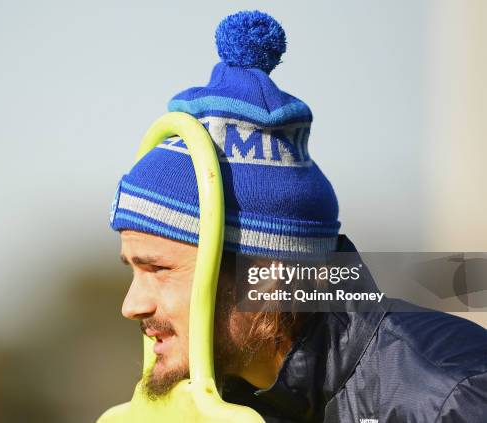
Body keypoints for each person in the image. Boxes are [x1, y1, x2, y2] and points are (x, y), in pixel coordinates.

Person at [109, 10, 487, 422]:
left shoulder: (449, 396)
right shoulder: (219, 405)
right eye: (134, 269)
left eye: (159, 269)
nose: (131, 305)